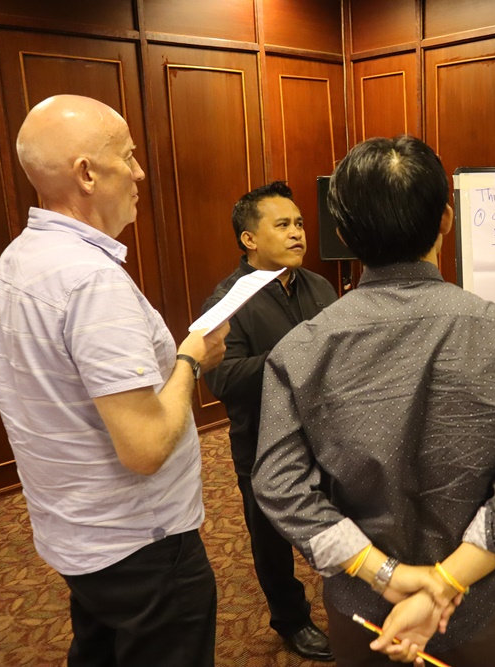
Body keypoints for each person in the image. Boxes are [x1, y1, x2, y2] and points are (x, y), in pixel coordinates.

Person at [252, 135, 495, 666]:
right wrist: (446, 582)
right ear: (446, 220)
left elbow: (279, 484)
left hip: (364, 608)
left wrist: (385, 575)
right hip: (473, 604)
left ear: (343, 233)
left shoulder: (300, 351)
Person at [0, 94, 228, 667]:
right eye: (128, 155)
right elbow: (144, 447)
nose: (140, 172)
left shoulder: (20, 257)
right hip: (141, 543)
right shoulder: (91, 281)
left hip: (75, 530)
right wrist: (191, 360)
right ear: (87, 174)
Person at [201, 182, 337, 661]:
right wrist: (293, 354)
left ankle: (350, 601)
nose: (298, 232)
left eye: (298, 223)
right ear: (250, 239)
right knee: (271, 539)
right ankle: (291, 620)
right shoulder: (227, 300)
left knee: (339, 519)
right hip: (264, 442)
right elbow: (221, 378)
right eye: (283, 225)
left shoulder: (318, 286)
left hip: (327, 437)